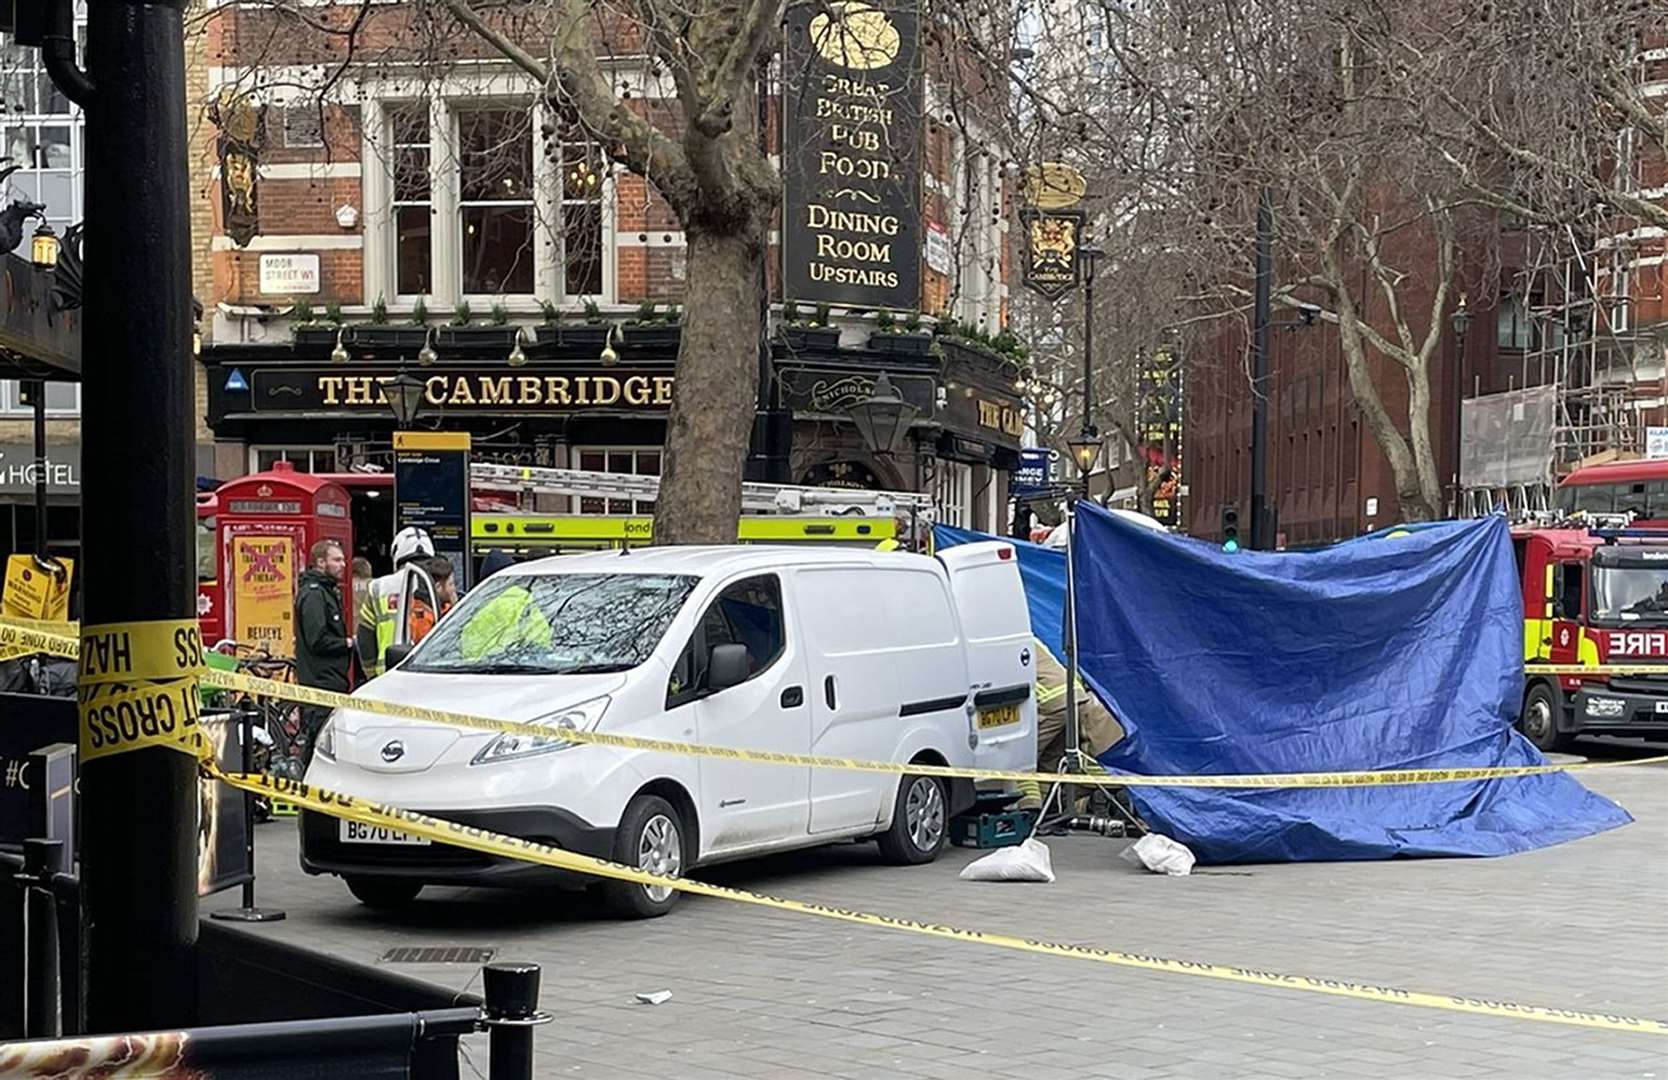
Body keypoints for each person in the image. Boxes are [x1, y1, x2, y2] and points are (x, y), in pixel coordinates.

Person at [1015, 640, 1124, 812]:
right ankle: (1052, 806)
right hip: (1074, 697)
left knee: (1020, 756)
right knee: (1049, 760)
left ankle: (1031, 808)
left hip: (1051, 701)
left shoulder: (1000, 645)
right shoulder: (1029, 639)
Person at [294, 539, 353, 767]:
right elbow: (317, 640)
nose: (343, 564)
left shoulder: (327, 592)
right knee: (317, 743)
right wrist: (347, 643)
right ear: (320, 562)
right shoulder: (314, 595)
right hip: (320, 683)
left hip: (332, 681)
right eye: (336, 560)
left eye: (343, 559)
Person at [357, 526, 434, 677]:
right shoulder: (439, 585)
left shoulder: (378, 587)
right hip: (431, 672)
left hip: (388, 673)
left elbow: (365, 635)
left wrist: (370, 674)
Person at [408, 556, 457, 645]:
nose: (454, 589)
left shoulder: (446, 607)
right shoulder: (421, 615)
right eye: (451, 584)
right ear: (438, 587)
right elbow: (426, 645)